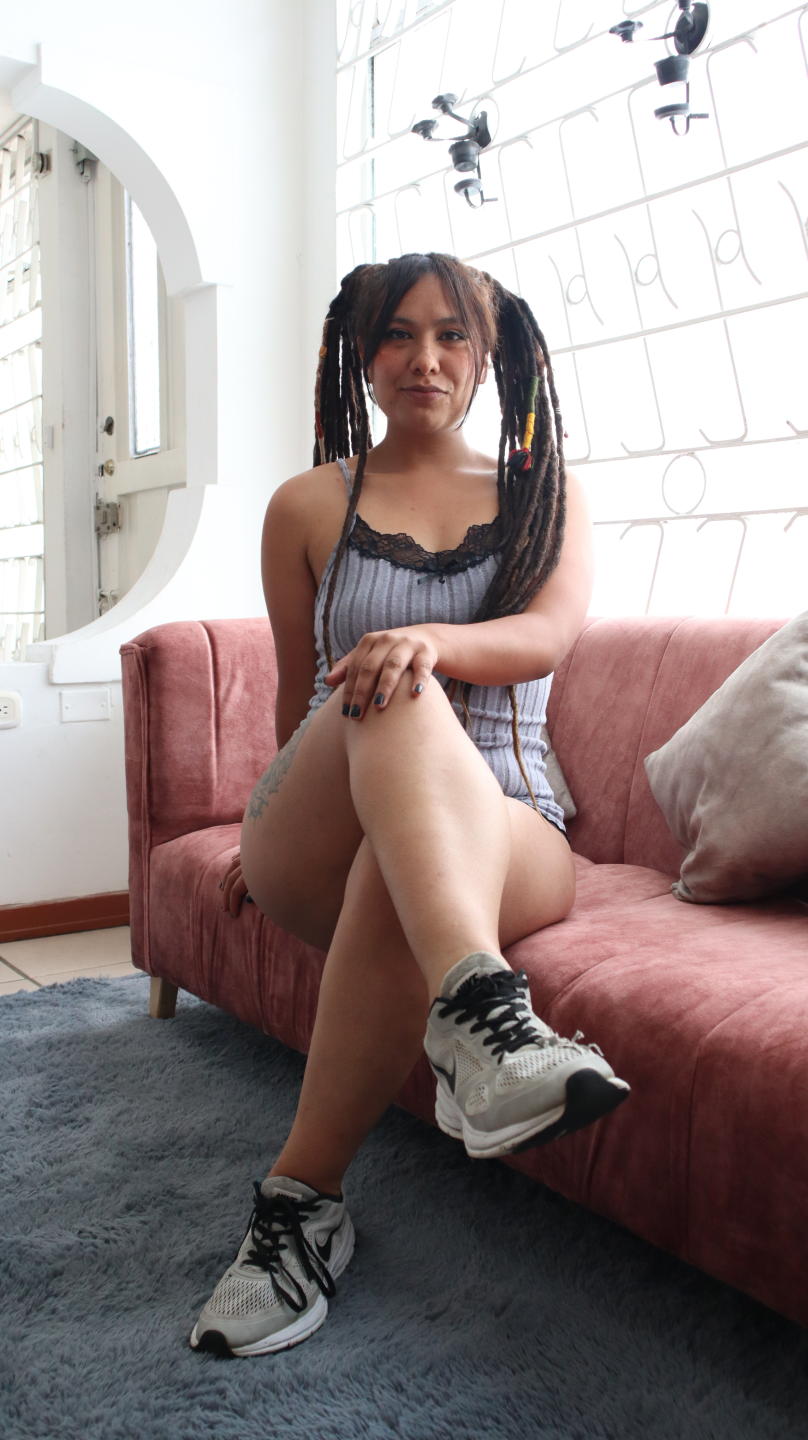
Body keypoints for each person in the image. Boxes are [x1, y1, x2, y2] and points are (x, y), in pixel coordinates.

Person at [189, 252, 629, 1358]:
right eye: (397, 333)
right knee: (384, 689)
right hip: (322, 813)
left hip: (511, 821)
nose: (423, 357)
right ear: (360, 352)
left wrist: (424, 639)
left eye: (450, 335)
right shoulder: (305, 504)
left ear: (487, 357)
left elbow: (546, 637)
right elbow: (298, 692)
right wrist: (268, 815)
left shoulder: (545, 493)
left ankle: (299, 1208)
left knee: (401, 837)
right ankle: (484, 1019)